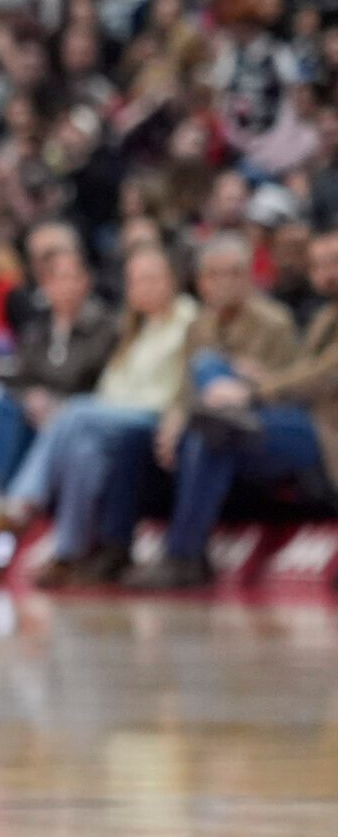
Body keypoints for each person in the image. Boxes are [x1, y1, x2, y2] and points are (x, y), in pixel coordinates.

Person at [0, 243, 195, 586]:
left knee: (74, 411)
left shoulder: (188, 321)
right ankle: (70, 551)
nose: (143, 287)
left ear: (172, 280)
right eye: (136, 280)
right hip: (116, 415)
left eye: (151, 278)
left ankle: (22, 501)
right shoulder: (134, 329)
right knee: (84, 449)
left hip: (155, 415)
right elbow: (108, 389)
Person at [142, 227, 338, 587]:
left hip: (323, 432)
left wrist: (254, 387)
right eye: (321, 265)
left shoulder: (277, 321)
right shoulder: (324, 318)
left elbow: (325, 376)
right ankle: (185, 556)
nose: (329, 273)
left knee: (209, 380)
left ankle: (185, 555)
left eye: (334, 263)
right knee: (211, 430)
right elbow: (299, 374)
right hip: (273, 421)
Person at [0, 231, 116, 584]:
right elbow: (17, 379)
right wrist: (32, 398)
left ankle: (8, 513)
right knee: (0, 410)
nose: (63, 286)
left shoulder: (105, 328)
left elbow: (100, 383)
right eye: (55, 278)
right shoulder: (38, 330)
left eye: (70, 277)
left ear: (86, 282)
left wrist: (54, 401)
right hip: (36, 422)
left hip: (75, 421)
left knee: (61, 423)